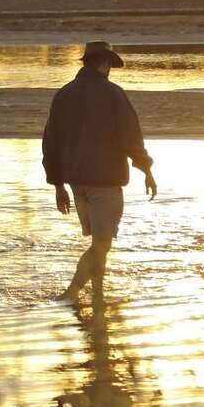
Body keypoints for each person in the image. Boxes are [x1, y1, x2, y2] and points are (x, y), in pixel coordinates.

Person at [42, 41, 157, 303]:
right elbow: (131, 138)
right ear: (105, 64)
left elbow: (51, 141)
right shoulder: (113, 94)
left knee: (98, 242)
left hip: (75, 180)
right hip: (104, 180)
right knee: (102, 243)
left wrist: (58, 184)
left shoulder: (63, 94)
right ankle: (71, 293)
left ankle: (98, 295)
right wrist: (147, 169)